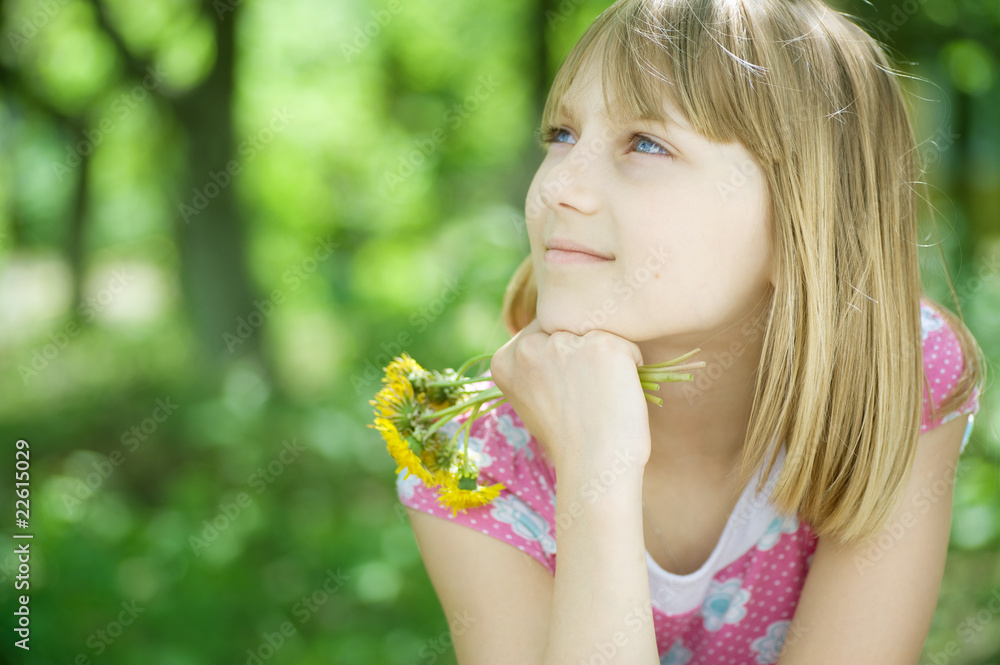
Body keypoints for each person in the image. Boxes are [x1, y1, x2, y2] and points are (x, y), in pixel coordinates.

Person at [395, 0, 987, 662]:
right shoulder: (470, 461)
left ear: (802, 222)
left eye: (646, 143)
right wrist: (596, 469)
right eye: (562, 134)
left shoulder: (897, 378)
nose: (558, 185)